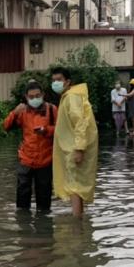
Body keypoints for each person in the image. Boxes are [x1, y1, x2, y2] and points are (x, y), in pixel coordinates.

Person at [4, 80, 58, 213]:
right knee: (22, 198)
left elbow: (61, 130)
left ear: (43, 95)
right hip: (26, 159)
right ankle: (23, 225)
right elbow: (6, 127)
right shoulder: (22, 111)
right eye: (31, 97)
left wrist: (46, 130)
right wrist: (14, 112)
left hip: (46, 160)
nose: (35, 99)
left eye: (37, 95)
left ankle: (43, 228)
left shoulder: (52, 109)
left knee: (44, 200)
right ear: (26, 97)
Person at [51, 67, 98, 218]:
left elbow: (80, 122)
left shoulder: (72, 97)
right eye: (53, 80)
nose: (55, 83)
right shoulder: (70, 96)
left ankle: (76, 223)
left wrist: (79, 148)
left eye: (59, 80)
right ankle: (80, 217)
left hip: (73, 147)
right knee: (76, 184)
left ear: (68, 81)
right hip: (71, 146)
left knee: (74, 186)